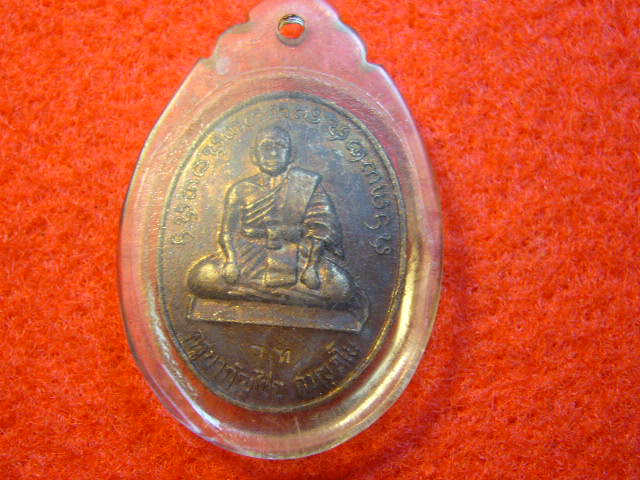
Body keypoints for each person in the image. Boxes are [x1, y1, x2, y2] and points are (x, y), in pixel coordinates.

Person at [188, 126, 367, 314]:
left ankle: (256, 294)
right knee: (202, 277)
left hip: (296, 258)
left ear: (290, 154)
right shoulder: (240, 189)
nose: (273, 153)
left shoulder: (306, 184)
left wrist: (311, 267)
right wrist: (231, 261)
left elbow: (320, 230)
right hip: (248, 257)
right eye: (266, 147)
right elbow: (226, 232)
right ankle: (290, 298)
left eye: (280, 147)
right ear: (254, 155)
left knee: (340, 287)